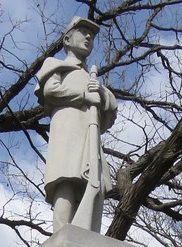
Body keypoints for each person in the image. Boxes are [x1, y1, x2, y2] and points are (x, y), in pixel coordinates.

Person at [36, 16, 117, 232]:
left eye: (92, 35)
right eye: (83, 31)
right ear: (67, 39)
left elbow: (111, 109)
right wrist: (84, 95)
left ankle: (88, 233)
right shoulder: (55, 65)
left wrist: (100, 93)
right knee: (66, 179)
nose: (88, 37)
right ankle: (61, 234)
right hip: (67, 131)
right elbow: (51, 91)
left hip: (89, 134)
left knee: (92, 183)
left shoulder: (90, 78)